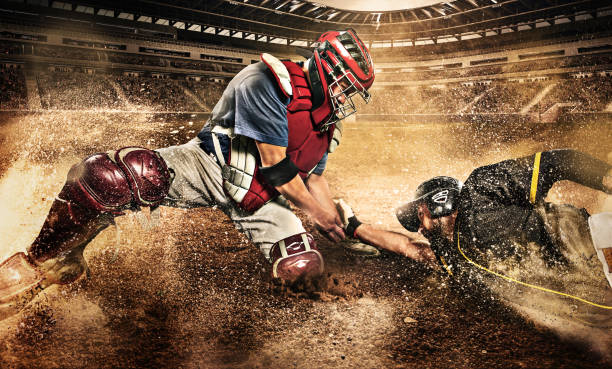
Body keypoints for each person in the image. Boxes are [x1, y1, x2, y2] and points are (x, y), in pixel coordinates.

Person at [0, 28, 375, 320]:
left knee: (303, 268)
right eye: (345, 84)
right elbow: (277, 167)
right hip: (212, 164)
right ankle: (44, 260)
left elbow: (314, 179)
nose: (345, 97)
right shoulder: (267, 81)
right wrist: (318, 213)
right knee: (109, 177)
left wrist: (334, 225)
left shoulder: (326, 126)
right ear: (326, 66)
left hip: (261, 199)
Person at [335, 149, 612, 288]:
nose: (420, 229)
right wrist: (356, 227)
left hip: (594, 242)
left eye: (420, 217)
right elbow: (408, 248)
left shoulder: (479, 188)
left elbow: (554, 162)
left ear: (438, 200)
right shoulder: (452, 252)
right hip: (590, 285)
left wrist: (606, 178)